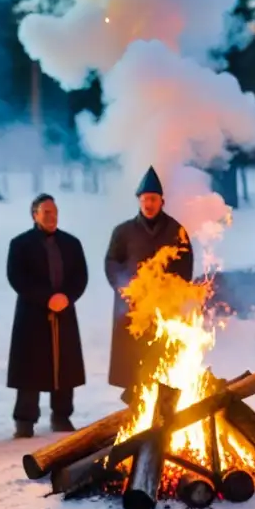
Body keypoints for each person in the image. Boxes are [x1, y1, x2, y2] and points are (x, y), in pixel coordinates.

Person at [104, 166, 193, 400]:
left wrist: (169, 290)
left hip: (165, 308)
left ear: (162, 201)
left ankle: (160, 398)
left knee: (161, 355)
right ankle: (135, 401)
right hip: (132, 307)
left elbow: (185, 267)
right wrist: (125, 287)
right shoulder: (123, 232)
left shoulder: (176, 231)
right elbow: (112, 262)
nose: (148, 204)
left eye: (153, 199)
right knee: (133, 359)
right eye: (144, 200)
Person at [7, 194, 89, 436]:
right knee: (30, 368)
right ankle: (25, 421)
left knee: (64, 365)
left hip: (64, 311)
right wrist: (46, 298)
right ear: (35, 215)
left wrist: (67, 297)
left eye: (54, 212)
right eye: (46, 212)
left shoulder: (71, 243)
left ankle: (61, 416)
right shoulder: (20, 244)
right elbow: (17, 278)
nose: (52, 216)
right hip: (32, 314)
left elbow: (80, 276)